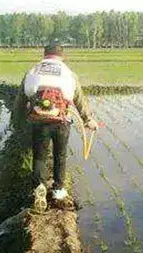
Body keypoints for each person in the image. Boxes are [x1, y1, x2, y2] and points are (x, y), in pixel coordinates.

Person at [13, 40, 98, 211]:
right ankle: (58, 190)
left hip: (38, 122)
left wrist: (17, 122)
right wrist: (88, 119)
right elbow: (78, 98)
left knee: (40, 157)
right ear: (61, 56)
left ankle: (39, 187)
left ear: (44, 54)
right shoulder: (68, 73)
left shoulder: (33, 71)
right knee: (60, 155)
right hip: (61, 121)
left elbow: (20, 101)